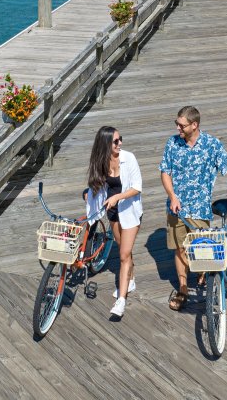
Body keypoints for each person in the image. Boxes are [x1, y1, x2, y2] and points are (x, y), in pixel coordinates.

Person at [159, 106, 227, 311]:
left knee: (202, 250)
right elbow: (165, 172)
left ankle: (205, 277)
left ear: (194, 125)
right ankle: (183, 289)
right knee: (180, 248)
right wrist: (172, 196)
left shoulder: (212, 145)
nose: (178, 128)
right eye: (176, 123)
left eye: (181, 125)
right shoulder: (172, 144)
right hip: (177, 209)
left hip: (200, 210)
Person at [84, 126, 143, 318]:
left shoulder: (129, 158)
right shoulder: (101, 161)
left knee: (124, 255)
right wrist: (88, 194)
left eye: (120, 139)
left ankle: (121, 300)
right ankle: (131, 279)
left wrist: (118, 197)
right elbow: (97, 184)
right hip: (112, 212)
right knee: (121, 248)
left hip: (130, 211)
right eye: (115, 141)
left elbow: (137, 188)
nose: (120, 144)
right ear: (106, 145)